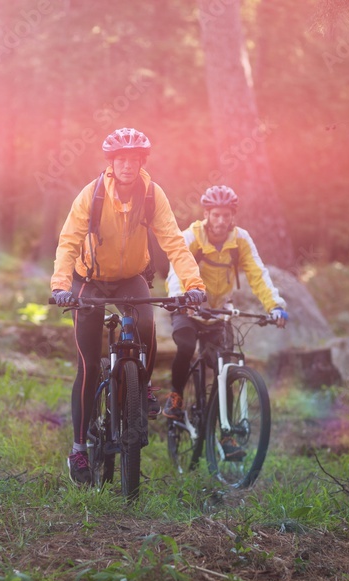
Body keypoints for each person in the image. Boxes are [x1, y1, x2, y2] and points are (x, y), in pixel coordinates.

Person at [51, 128, 207, 486]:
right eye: (120, 159)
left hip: (131, 277)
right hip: (89, 279)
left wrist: (194, 284)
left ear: (141, 162)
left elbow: (174, 243)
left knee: (147, 324)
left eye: (133, 159)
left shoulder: (152, 195)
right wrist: (61, 286)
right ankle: (78, 449)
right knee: (89, 365)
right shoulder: (91, 196)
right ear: (111, 163)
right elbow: (68, 242)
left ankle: (143, 386)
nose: (126, 165)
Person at [162, 185, 288, 460]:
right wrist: (180, 298)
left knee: (225, 371)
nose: (221, 220)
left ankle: (227, 435)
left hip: (219, 311)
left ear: (233, 216)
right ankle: (176, 395)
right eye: (216, 214)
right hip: (187, 305)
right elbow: (176, 270)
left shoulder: (241, 239)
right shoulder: (192, 236)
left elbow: (257, 273)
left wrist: (275, 305)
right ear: (207, 213)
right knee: (184, 345)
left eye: (226, 215)